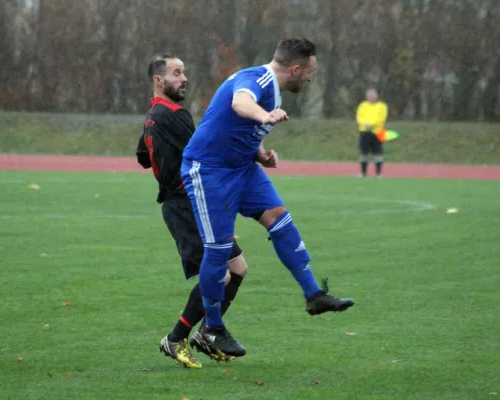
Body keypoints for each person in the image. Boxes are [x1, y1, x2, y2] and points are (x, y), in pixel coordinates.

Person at [180, 38, 355, 358]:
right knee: (219, 252)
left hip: (243, 168)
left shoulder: (273, 87)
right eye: (310, 71)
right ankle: (213, 330)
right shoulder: (256, 79)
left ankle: (314, 295)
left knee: (281, 220)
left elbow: (236, 126)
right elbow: (240, 104)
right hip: (209, 171)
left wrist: (260, 155)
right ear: (296, 68)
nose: (311, 77)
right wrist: (265, 115)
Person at [136, 54, 248, 369]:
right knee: (222, 275)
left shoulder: (154, 115)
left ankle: (206, 335)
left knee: (238, 268)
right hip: (186, 207)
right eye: (176, 73)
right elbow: (207, 153)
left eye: (184, 72)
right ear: (159, 80)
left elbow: (142, 156)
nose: (184, 78)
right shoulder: (172, 115)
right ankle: (175, 338)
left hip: (193, 203)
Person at [356, 88, 388, 178]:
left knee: (378, 152)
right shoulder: (362, 106)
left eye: (373, 95)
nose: (371, 97)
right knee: (364, 153)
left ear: (377, 96)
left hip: (378, 131)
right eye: (369, 95)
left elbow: (382, 118)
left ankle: (378, 173)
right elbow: (359, 117)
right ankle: (363, 173)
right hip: (364, 131)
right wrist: (364, 123)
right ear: (367, 96)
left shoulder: (382, 106)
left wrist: (371, 124)